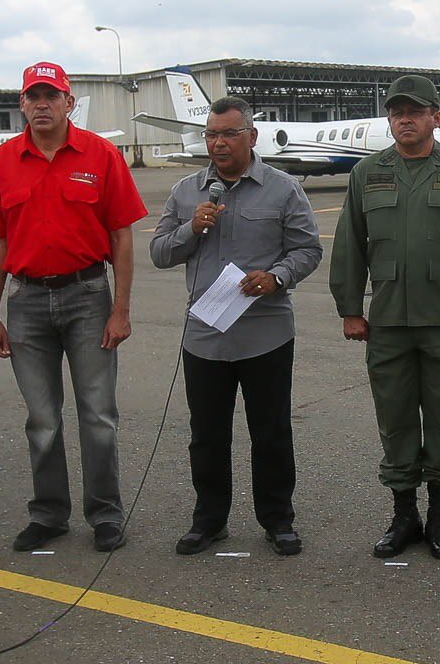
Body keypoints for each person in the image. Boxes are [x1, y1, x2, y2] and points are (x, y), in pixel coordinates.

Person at [0, 61, 147, 552]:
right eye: (33, 97)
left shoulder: (101, 155)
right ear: (22, 104)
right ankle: (49, 514)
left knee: (98, 415)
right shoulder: (2, 163)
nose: (42, 105)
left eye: (52, 96)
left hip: (89, 296)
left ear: (69, 102)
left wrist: (122, 308)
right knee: (42, 418)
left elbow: (121, 236)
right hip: (26, 303)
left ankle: (105, 515)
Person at [329, 75, 440, 560]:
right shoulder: (367, 172)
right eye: (397, 112)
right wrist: (350, 309)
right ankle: (404, 514)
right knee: (396, 421)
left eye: (415, 111)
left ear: (436, 118)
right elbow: (350, 246)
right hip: (386, 324)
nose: (405, 119)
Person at [150, 96, 322, 556]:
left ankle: (277, 519)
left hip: (265, 333)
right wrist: (191, 228)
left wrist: (276, 277)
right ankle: (209, 519)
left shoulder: (283, 189)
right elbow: (161, 253)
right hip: (205, 337)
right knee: (207, 434)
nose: (218, 143)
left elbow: (307, 250)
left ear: (251, 136)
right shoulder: (187, 191)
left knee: (270, 432)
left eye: (228, 134)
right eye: (211, 134)